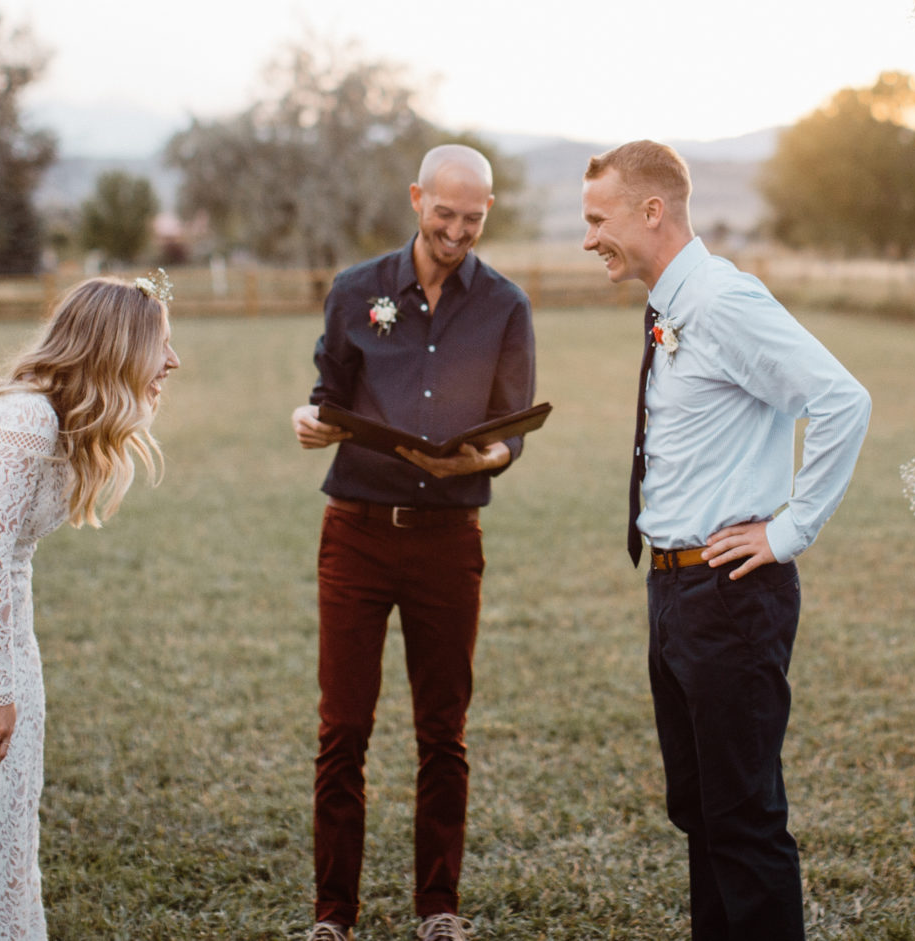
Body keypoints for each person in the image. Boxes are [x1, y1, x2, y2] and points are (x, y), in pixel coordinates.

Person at [580, 140, 871, 941]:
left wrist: (789, 529)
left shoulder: (720, 301)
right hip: (674, 591)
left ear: (652, 211)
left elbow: (843, 400)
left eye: (597, 219)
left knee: (742, 818)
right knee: (701, 811)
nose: (587, 237)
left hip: (731, 595)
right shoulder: (672, 306)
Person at [0, 274, 180, 939]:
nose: (172, 362)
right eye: (161, 345)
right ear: (115, 346)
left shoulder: (29, 410)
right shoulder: (26, 416)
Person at [289, 144, 536, 941]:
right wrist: (309, 420)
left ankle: (439, 908)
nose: (458, 229)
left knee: (443, 731)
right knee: (343, 729)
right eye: (445, 213)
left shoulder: (505, 305)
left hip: (448, 540)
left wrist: (485, 455)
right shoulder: (356, 290)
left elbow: (512, 427)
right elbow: (328, 395)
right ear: (416, 199)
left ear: (487, 211)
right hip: (357, 535)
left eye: (473, 216)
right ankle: (334, 915)